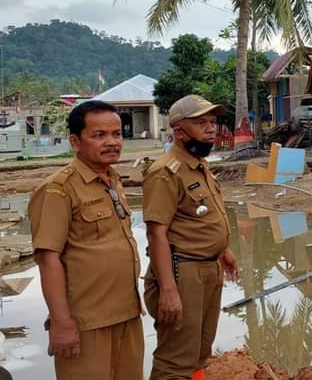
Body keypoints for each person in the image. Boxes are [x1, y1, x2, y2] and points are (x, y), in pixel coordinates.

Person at [28, 100, 143, 379]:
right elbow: (48, 258)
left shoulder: (112, 179)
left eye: (117, 134)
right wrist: (62, 321)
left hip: (127, 314)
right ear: (75, 142)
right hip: (86, 323)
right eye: (99, 135)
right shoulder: (58, 190)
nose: (112, 142)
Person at [142, 94, 240, 380]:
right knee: (176, 359)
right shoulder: (165, 171)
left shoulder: (197, 164)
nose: (211, 128)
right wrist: (169, 291)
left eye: (212, 122)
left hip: (208, 268)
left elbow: (197, 219)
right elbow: (156, 233)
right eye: (201, 123)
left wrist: (223, 250)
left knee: (200, 351)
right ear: (180, 131)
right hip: (182, 272)